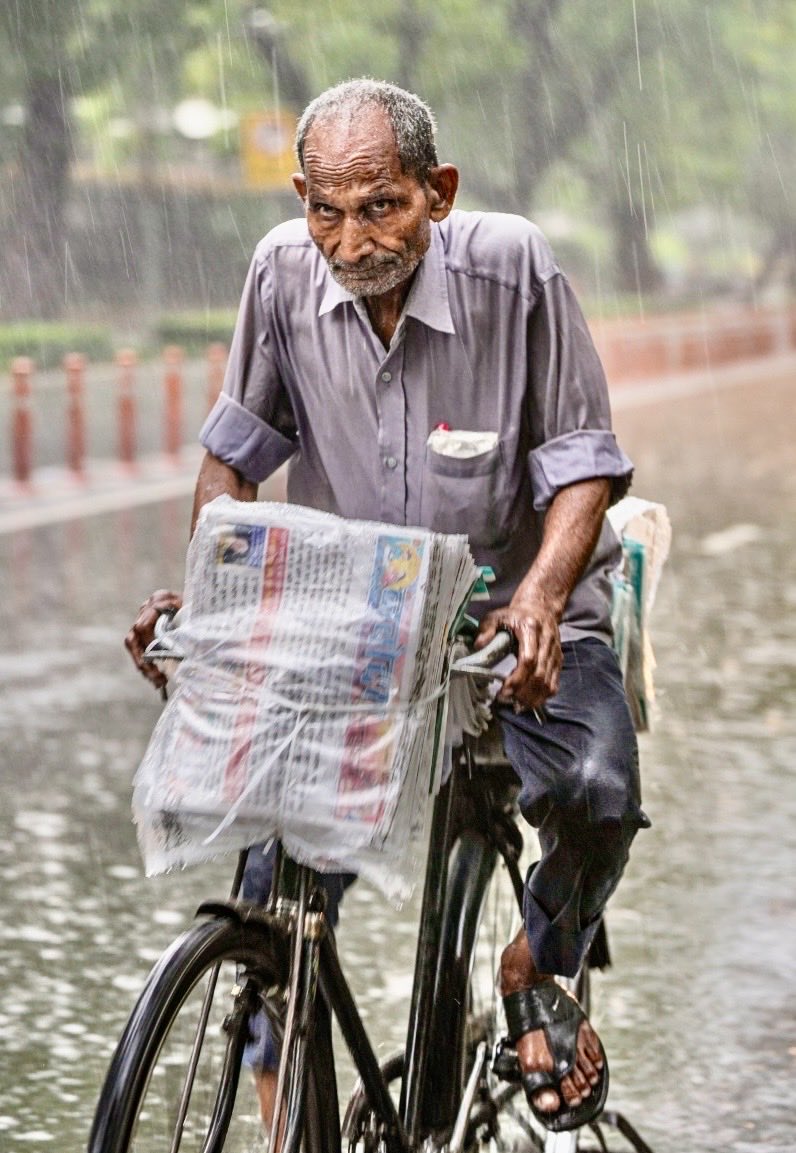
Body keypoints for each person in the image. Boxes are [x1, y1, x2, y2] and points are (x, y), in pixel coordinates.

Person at [126, 78, 648, 1135]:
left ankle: (534, 958)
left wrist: (544, 594)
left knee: (595, 786)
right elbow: (232, 462)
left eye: (381, 206)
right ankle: (286, 1107)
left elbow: (584, 465)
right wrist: (216, 590)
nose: (350, 239)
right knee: (274, 885)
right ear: (301, 201)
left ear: (437, 191)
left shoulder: (515, 271)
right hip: (350, 628)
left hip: (510, 616)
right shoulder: (279, 275)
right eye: (327, 208)